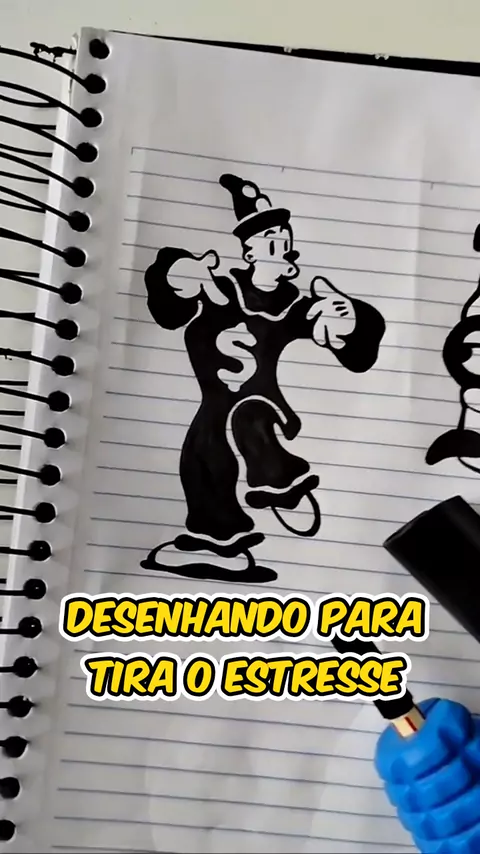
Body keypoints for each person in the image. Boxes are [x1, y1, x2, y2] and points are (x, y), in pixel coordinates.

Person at [141, 173, 385, 582]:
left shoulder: (293, 305)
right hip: (217, 399)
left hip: (257, 400)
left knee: (224, 440)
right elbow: (170, 300)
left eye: (284, 242)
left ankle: (249, 508)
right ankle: (234, 525)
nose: (280, 248)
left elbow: (345, 336)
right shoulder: (220, 287)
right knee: (202, 456)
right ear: (249, 250)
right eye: (269, 241)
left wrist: (346, 320)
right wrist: (178, 273)